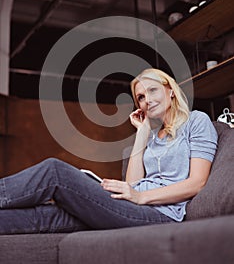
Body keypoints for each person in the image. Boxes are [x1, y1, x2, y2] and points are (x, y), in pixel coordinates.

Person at [0, 68, 218, 234]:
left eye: (152, 90)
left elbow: (197, 183)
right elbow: (133, 183)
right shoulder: (152, 135)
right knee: (51, 216)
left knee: (55, 171)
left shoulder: (196, 121)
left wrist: (141, 197)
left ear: (170, 90)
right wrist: (142, 133)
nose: (147, 100)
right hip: (134, 206)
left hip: (160, 215)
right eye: (141, 97)